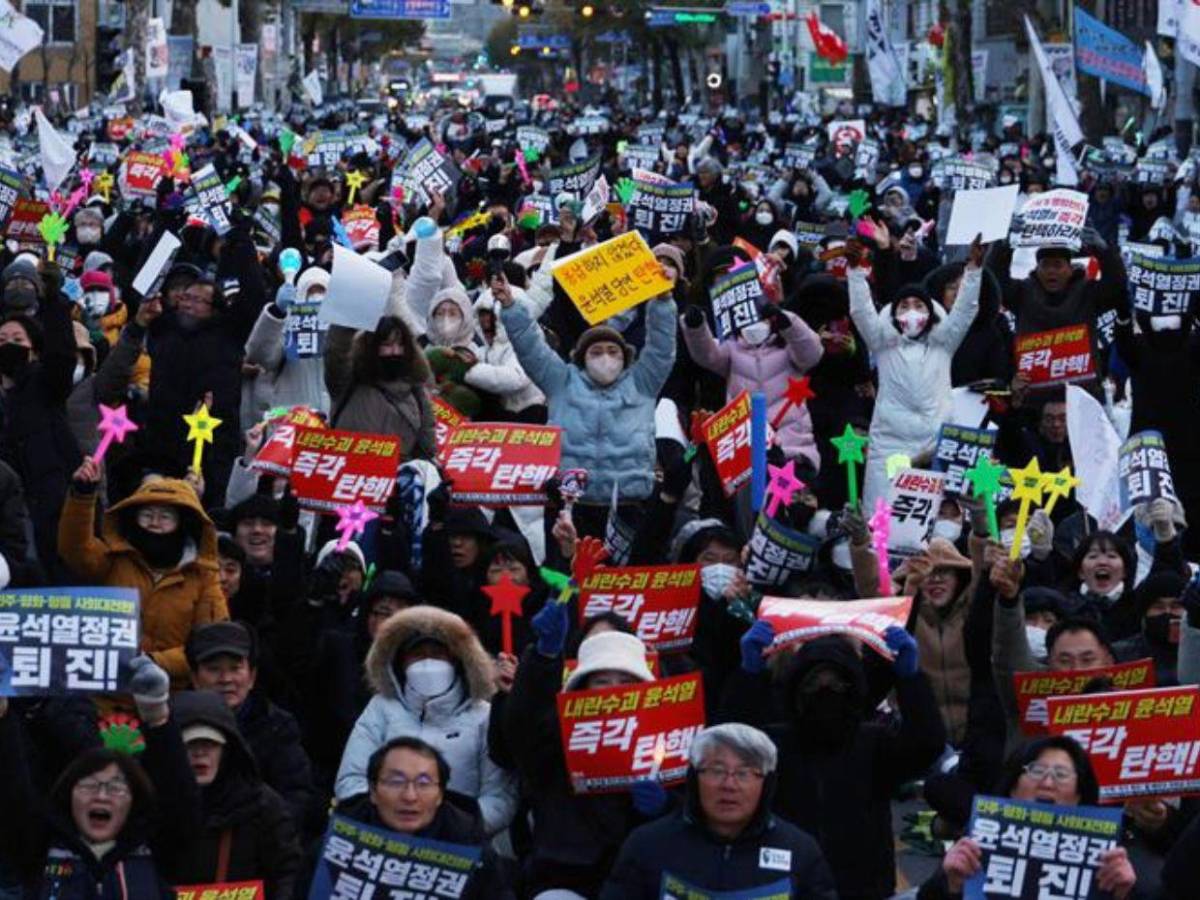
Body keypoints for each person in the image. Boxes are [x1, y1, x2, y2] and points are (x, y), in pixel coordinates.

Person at [725, 626, 945, 899]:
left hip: (865, 888)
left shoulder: (874, 743)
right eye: (814, 684)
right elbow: (729, 745)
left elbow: (927, 744)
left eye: (836, 684)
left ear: (852, 690)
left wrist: (911, 680)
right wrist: (748, 676)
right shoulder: (774, 745)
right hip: (790, 885)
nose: (825, 692)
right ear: (797, 691)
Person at [0, 657, 199, 899]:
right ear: (69, 796)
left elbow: (181, 802)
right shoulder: (40, 850)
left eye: (116, 787)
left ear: (133, 799)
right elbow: (14, 793)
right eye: (89, 786)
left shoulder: (158, 852)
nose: (101, 796)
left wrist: (157, 715)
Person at [496, 270, 676, 536]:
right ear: (582, 358)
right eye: (596, 352)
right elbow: (531, 347)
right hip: (572, 506)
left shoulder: (642, 382)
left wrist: (662, 302)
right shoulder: (561, 381)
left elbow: (662, 348)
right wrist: (511, 307)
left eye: (613, 351)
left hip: (630, 503)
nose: (605, 357)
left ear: (625, 357)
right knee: (572, 576)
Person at [334, 605, 517, 837]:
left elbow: (500, 797)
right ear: (400, 662)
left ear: (458, 661)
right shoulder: (381, 708)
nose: (428, 663)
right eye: (418, 655)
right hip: (384, 842)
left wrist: (453, 828)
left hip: (459, 848)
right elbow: (351, 780)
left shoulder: (483, 716)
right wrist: (390, 821)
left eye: (438, 654)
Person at [600, 723, 838, 899]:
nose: (729, 785)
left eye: (744, 773)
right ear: (695, 778)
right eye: (716, 770)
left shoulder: (799, 850)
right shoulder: (647, 845)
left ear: (766, 783)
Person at [58, 459, 228, 687]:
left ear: (182, 523)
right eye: (147, 515)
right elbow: (75, 550)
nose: (154, 523)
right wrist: (83, 494)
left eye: (165, 517)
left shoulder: (203, 575)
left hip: (172, 698)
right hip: (107, 695)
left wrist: (153, 662)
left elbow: (210, 643)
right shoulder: (114, 558)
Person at [848, 236, 984, 511]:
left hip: (934, 443)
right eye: (904, 306)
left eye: (919, 306)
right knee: (881, 517)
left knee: (931, 518)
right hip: (889, 443)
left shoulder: (944, 344)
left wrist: (974, 270)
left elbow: (964, 311)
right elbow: (861, 311)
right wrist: (854, 272)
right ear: (893, 314)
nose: (912, 312)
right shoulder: (882, 343)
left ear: (932, 314)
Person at [921, 737, 1137, 899]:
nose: (1048, 783)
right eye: (1036, 770)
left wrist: (1123, 894)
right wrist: (953, 886)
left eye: (1061, 775)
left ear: (1079, 795)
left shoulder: (1107, 859)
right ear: (1013, 786)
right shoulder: (977, 844)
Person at [298, 736, 513, 899]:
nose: (410, 796)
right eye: (395, 782)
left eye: (423, 783)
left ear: (440, 795)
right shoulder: (335, 847)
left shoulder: (474, 852)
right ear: (373, 791)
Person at [167, 690, 302, 897]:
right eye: (190, 744)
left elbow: (286, 875)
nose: (200, 753)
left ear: (228, 749)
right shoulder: (150, 803)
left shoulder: (264, 806)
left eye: (210, 743)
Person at [185, 621, 316, 829]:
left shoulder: (278, 726)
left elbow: (296, 795)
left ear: (252, 677)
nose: (226, 679)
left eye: (235, 668)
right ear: (194, 678)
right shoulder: (173, 725)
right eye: (214, 669)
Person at [324, 314, 436, 459]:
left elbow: (426, 442)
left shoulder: (415, 389)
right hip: (347, 470)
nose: (395, 351)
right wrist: (348, 316)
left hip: (397, 475)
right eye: (387, 345)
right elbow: (336, 351)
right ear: (371, 347)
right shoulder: (347, 381)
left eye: (400, 345)